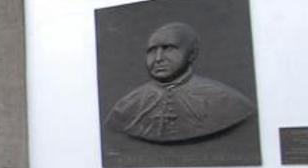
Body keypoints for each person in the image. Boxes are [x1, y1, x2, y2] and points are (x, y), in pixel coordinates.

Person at [105, 22, 255, 143]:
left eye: (168, 48)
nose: (158, 58)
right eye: (151, 50)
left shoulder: (226, 101)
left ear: (192, 54)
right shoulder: (126, 106)